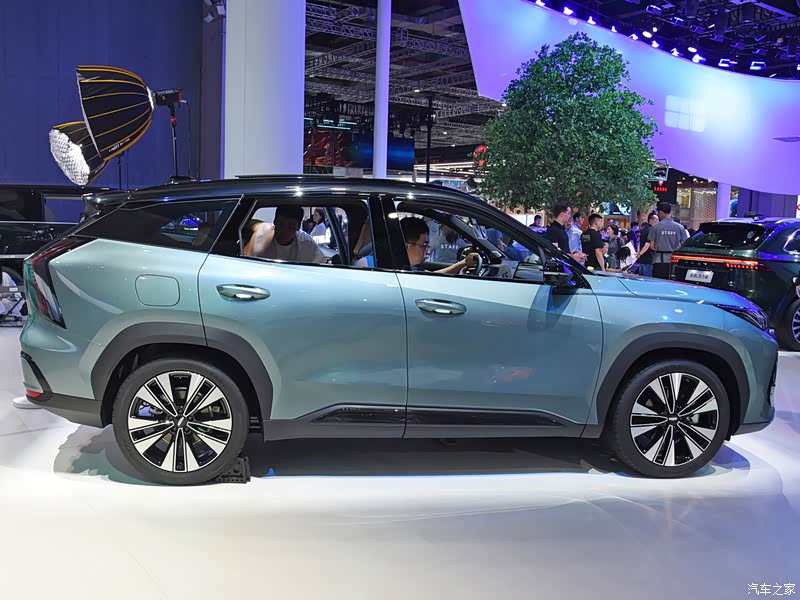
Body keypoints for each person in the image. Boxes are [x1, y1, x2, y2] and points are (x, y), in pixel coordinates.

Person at [244, 205, 326, 263]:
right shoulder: (265, 235)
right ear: (274, 222)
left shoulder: (307, 244)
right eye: (280, 225)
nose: (284, 231)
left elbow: (321, 266)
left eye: (291, 227)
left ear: (298, 227)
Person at [401, 217, 479, 274]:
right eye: (423, 245)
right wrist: (463, 263)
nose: (427, 252)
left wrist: (463, 264)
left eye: (427, 245)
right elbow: (430, 279)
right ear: (406, 246)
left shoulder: (409, 269)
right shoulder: (402, 273)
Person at [640, 202, 688, 279]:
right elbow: (683, 244)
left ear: (661, 212)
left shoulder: (655, 227)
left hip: (659, 260)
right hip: (674, 260)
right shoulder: (680, 227)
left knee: (658, 282)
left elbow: (652, 246)